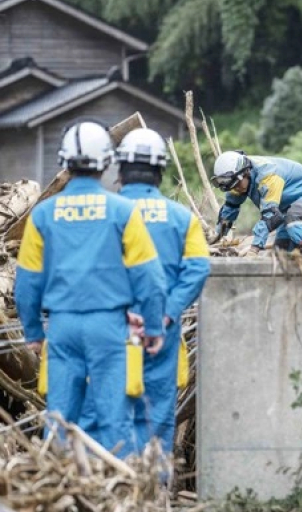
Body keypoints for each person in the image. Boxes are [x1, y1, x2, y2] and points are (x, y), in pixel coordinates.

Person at [14, 120, 167, 458]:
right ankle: (117, 495)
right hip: (109, 329)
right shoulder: (123, 212)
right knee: (115, 418)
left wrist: (33, 330)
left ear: (64, 162)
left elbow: (26, 282)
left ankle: (62, 491)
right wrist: (154, 326)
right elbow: (150, 277)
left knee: (59, 416)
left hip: (62, 327)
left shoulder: (42, 215)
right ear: (107, 163)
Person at [80, 128, 211, 459]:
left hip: (109, 328)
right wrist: (166, 312)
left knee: (105, 410)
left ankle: (109, 490)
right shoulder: (183, 218)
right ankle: (153, 492)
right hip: (159, 331)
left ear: (121, 169)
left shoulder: (102, 212)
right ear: (160, 171)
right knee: (155, 416)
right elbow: (198, 269)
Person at [211, 151, 302, 254]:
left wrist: (254, 249)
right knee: (282, 249)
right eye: (232, 187)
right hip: (287, 208)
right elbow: (229, 210)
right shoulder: (237, 181)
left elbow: (271, 216)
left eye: (237, 184)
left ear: (245, 172)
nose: (236, 188)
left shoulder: (268, 177)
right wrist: (216, 235)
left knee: (295, 216)